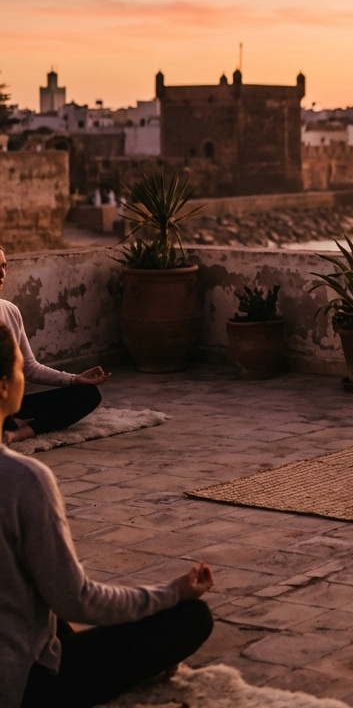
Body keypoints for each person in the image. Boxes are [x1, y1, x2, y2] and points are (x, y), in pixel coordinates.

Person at [0, 322, 215, 708]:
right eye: (17, 369)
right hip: (21, 688)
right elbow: (76, 600)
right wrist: (172, 593)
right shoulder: (23, 480)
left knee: (36, 593)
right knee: (191, 618)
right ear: (4, 384)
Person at [0, 245, 109, 444]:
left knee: (88, 394)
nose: (1, 274)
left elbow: (30, 368)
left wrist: (75, 379)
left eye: (4, 266)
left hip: (10, 403)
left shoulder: (10, 311)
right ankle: (12, 423)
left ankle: (21, 431)